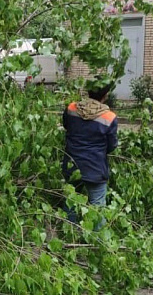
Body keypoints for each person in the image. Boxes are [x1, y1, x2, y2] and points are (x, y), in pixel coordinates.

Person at [62, 80, 118, 230]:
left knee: (71, 203)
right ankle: (97, 243)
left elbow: (66, 126)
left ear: (88, 92)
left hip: (71, 165)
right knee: (97, 208)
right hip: (95, 168)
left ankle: (69, 234)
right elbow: (111, 146)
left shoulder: (72, 108)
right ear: (105, 96)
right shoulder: (109, 117)